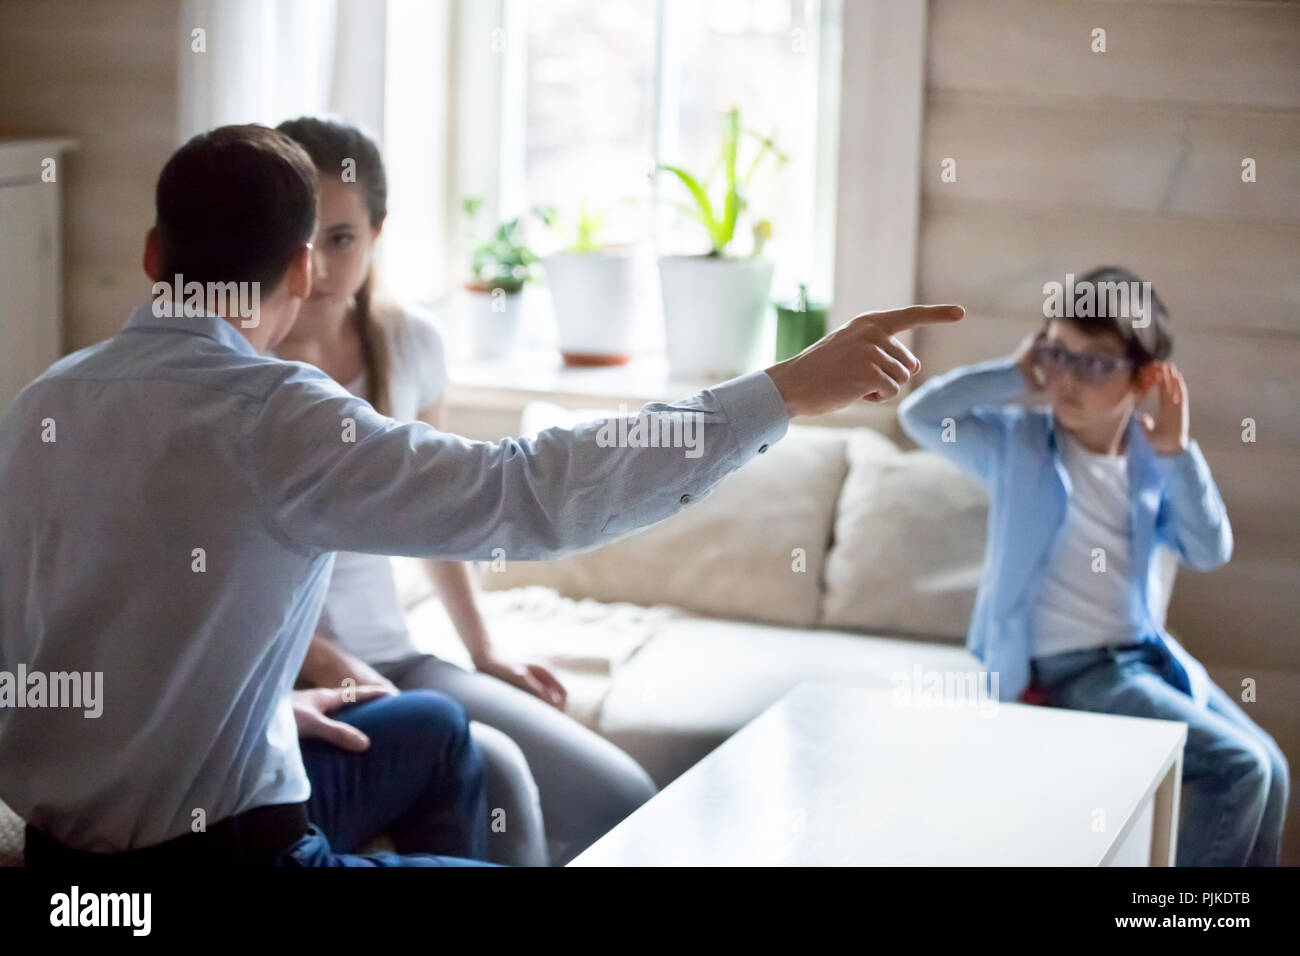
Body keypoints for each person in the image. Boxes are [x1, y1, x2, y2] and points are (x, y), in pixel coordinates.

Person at [0, 122, 961, 867]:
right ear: (301, 266)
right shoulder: (274, 412)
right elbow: (528, 492)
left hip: (73, 866)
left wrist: (242, 717)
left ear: (152, 255)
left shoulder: (42, 405)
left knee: (433, 731)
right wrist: (782, 389)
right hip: (225, 853)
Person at [273, 116, 657, 865]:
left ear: (378, 234)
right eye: (304, 236)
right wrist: (326, 662)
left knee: (621, 792)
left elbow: (442, 518)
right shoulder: (242, 369)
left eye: (342, 238)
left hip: (399, 658)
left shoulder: (413, 343)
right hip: (284, 677)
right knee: (501, 772)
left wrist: (484, 649)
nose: (318, 264)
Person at [898, 266, 1288, 866]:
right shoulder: (1017, 445)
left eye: (1095, 363)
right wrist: (1013, 372)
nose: (1067, 380)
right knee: (1240, 767)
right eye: (1058, 355)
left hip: (1141, 658)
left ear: (1146, 379)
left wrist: (1177, 455)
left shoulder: (1153, 461)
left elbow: (1208, 550)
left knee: (1273, 768)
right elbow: (920, 415)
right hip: (1067, 670)